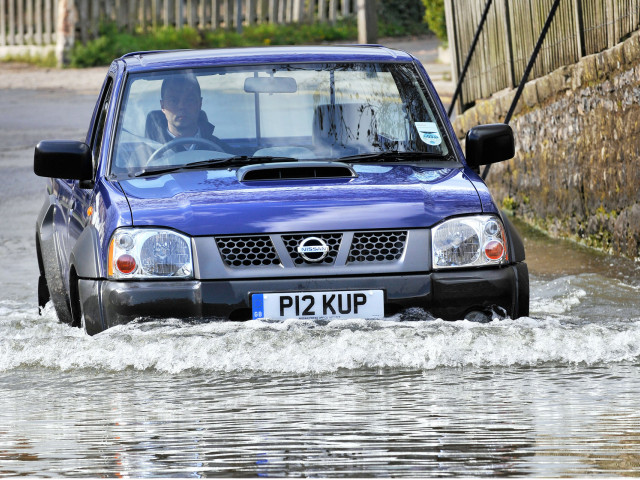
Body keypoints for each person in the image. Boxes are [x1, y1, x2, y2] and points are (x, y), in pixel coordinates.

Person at [145, 73, 228, 151]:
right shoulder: (146, 154)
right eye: (173, 101)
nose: (181, 106)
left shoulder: (220, 150)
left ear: (199, 104)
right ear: (163, 106)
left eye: (189, 100)